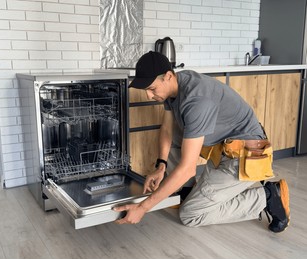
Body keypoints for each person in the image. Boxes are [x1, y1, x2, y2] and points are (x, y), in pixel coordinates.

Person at [114, 51, 290, 233]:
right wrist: (161, 166)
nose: (149, 96)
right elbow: (167, 129)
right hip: (223, 148)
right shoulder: (176, 85)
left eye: (152, 89)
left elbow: (188, 168)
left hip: (244, 157)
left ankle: (267, 196)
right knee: (177, 130)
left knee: (191, 214)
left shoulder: (196, 100)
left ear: (167, 76)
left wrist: (143, 207)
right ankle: (186, 191)